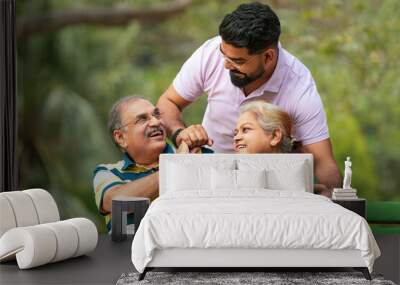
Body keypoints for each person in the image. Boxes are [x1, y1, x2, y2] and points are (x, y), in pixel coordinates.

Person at [157, 2, 341, 190]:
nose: (226, 65)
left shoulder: (299, 86)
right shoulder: (209, 54)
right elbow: (167, 103)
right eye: (223, 54)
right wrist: (180, 134)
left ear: (268, 57)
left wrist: (335, 201)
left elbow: (323, 163)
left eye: (238, 61)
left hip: (268, 186)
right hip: (210, 179)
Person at [92, 96, 212, 232]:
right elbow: (115, 202)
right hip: (129, 253)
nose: (156, 122)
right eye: (142, 119)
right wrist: (177, 165)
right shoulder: (107, 172)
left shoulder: (197, 154)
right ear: (121, 137)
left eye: (156, 115)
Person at [234, 100, 331, 197]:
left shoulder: (299, 178)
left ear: (275, 136)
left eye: (245, 129)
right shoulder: (234, 175)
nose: (236, 137)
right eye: (235, 133)